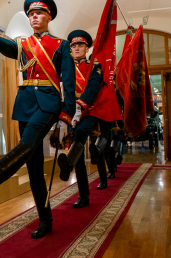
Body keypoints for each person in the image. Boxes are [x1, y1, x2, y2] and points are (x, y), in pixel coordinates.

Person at [0, 0, 75, 239]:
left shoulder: (61, 45)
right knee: (34, 166)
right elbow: (6, 46)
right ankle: (45, 220)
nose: (34, 17)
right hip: (25, 103)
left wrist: (65, 117)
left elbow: (68, 83)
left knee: (26, 143)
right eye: (30, 14)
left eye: (38, 13)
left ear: (49, 16)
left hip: (48, 102)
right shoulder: (24, 45)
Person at [57, 30, 113, 209]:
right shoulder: (66, 67)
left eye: (80, 45)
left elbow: (94, 87)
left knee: (82, 136)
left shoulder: (94, 66)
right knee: (78, 152)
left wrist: (81, 105)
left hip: (90, 110)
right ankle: (83, 195)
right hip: (71, 111)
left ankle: (72, 165)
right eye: (73, 45)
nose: (76, 48)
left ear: (87, 47)